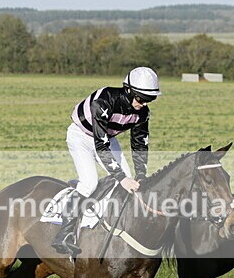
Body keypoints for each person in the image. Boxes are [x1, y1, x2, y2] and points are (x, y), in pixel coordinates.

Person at [51, 67, 160, 255]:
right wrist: (121, 177)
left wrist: (140, 174)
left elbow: (139, 143)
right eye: (141, 98)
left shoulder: (142, 113)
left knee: (127, 184)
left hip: (107, 139)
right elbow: (100, 146)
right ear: (128, 90)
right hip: (82, 137)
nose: (143, 104)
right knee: (90, 183)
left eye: (149, 100)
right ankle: (64, 233)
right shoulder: (104, 100)